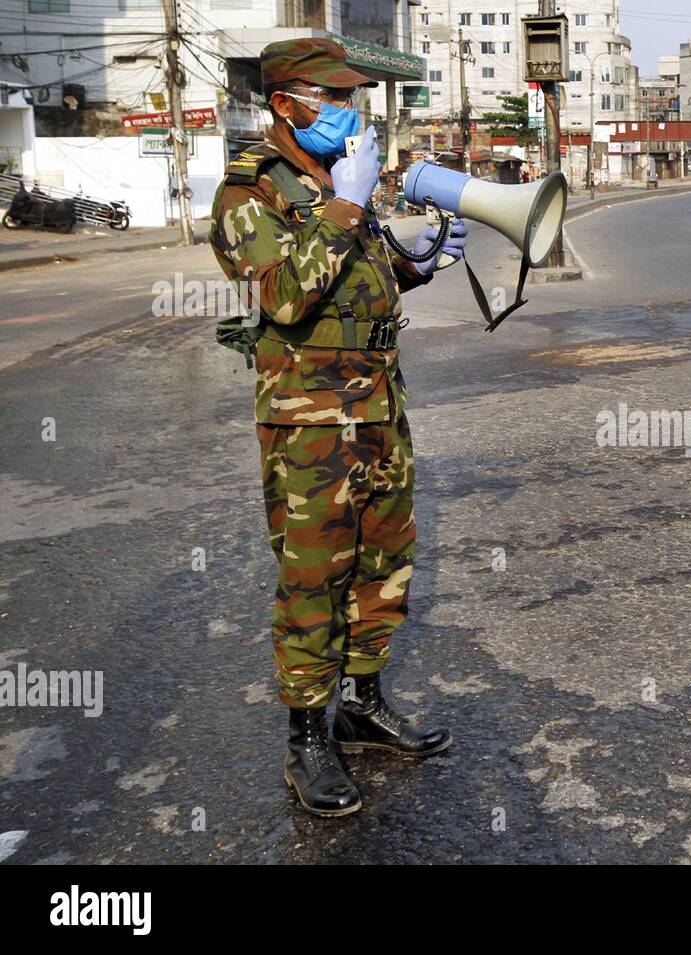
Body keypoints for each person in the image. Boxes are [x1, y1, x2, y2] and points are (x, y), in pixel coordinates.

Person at [209, 38, 464, 817]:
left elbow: (355, 278)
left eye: (353, 97)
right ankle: (306, 739)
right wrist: (350, 206)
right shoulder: (247, 193)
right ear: (286, 102)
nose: (349, 111)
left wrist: (413, 265)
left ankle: (362, 703)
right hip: (310, 420)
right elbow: (287, 296)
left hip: (380, 404)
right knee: (314, 575)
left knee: (383, 559)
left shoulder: (332, 181)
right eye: (335, 98)